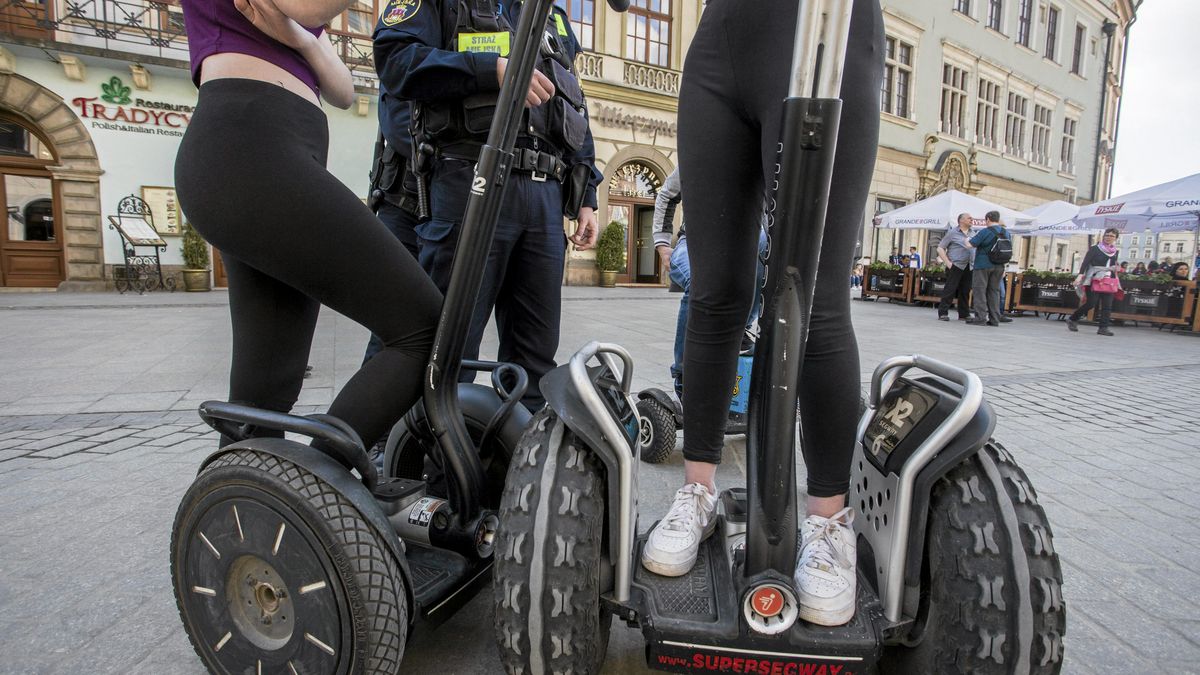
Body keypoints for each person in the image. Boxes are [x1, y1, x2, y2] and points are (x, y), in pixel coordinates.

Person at [638, 0, 884, 629]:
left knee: (819, 295)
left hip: (823, 27)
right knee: (715, 290)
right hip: (720, 41)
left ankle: (829, 524)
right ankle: (698, 489)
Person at [174, 0, 443, 454]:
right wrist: (305, 28)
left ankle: (247, 510)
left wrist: (298, 36)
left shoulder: (296, 25)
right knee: (427, 328)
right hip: (249, 147)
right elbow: (310, 8)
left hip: (265, 156)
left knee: (266, 390)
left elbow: (342, 89)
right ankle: (317, 481)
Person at [374, 0, 603, 409]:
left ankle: (519, 459)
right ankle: (427, 458)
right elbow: (396, 61)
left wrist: (586, 194)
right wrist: (489, 71)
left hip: (545, 192)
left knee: (535, 357)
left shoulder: (550, 16)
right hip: (471, 178)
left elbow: (573, 101)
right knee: (449, 347)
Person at [654, 167, 767, 398]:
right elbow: (668, 193)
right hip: (694, 241)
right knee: (699, 282)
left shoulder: (767, 161)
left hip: (746, 241)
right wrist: (662, 243)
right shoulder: (704, 149)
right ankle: (684, 373)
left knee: (762, 244)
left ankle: (743, 328)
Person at [1067, 227, 1122, 336]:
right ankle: (1073, 318)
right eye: (1107, 235)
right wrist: (1079, 276)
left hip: (1109, 280)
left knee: (1107, 305)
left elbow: (1112, 264)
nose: (1108, 237)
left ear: (1116, 238)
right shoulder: (1095, 249)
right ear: (1103, 236)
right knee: (1091, 303)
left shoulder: (1115, 251)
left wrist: (1116, 268)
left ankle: (1103, 328)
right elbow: (1085, 263)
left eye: (1112, 236)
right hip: (1094, 278)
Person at [966, 210, 1009, 326]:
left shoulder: (985, 231)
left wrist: (966, 239)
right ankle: (994, 319)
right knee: (994, 292)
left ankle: (980, 318)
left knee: (979, 291)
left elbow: (970, 245)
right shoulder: (1006, 232)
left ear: (988, 219)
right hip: (999, 266)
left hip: (983, 265)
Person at [935, 212, 973, 321]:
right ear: (961, 220)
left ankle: (964, 314)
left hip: (969, 265)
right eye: (969, 218)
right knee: (950, 289)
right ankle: (943, 313)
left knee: (965, 290)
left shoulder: (973, 233)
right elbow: (940, 248)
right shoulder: (952, 233)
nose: (971, 219)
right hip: (955, 265)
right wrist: (948, 263)